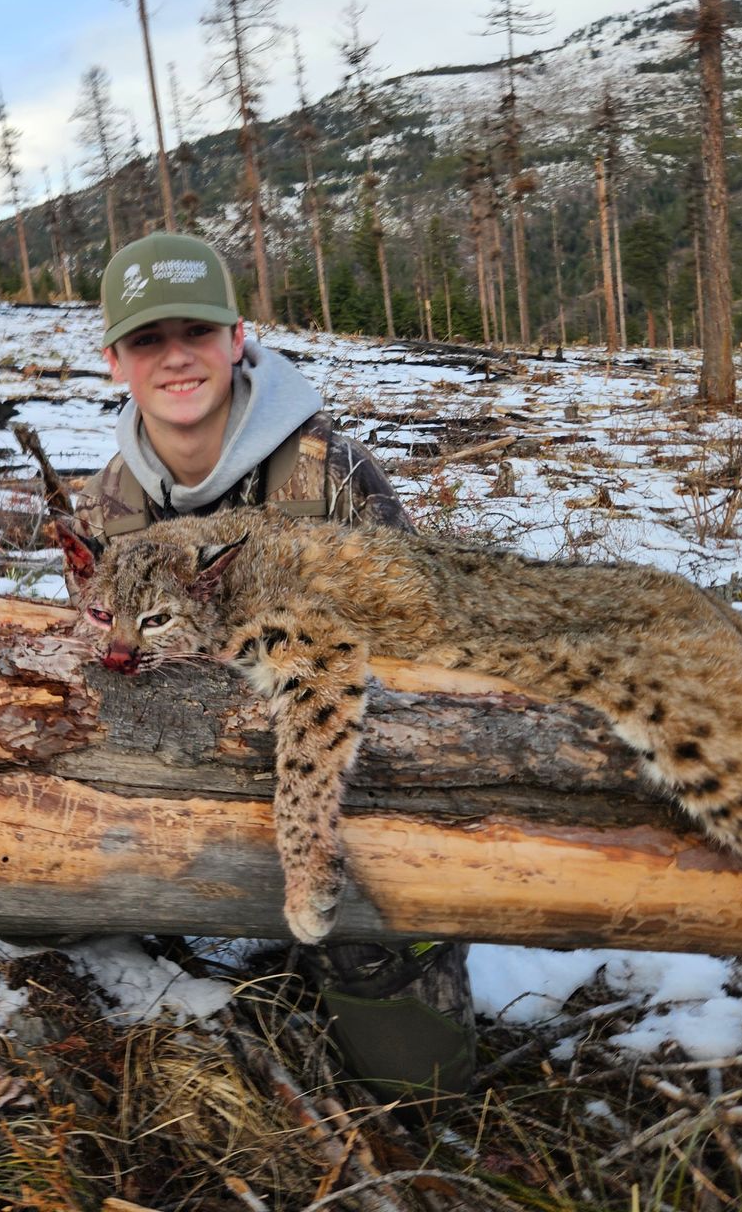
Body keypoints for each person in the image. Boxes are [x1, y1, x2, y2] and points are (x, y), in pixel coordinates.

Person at [71, 231, 476, 1106]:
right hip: (183, 798)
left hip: (350, 797)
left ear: (237, 338)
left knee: (424, 1083)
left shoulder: (329, 477)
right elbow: (99, 670)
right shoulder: (106, 507)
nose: (175, 357)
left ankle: (373, 963)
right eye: (148, 340)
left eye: (196, 332)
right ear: (115, 362)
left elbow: (425, 649)